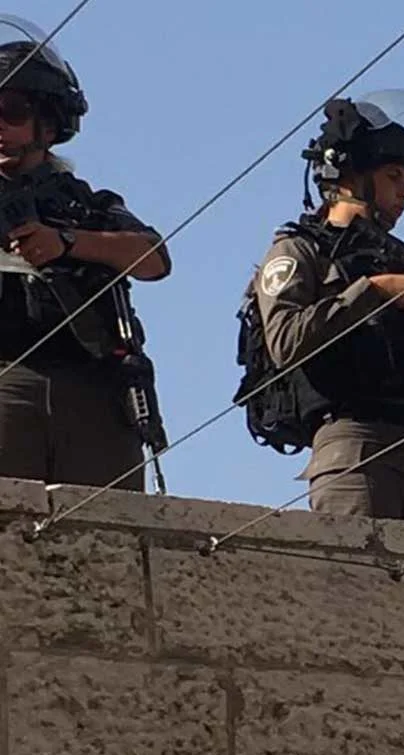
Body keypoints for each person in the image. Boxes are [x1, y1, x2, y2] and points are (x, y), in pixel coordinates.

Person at [233, 89, 404, 525]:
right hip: (355, 444)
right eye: (394, 176)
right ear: (352, 175)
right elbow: (286, 341)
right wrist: (375, 290)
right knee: (366, 567)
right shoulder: (300, 252)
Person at [0, 15, 172, 492]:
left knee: (105, 529)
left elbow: (154, 259)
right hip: (7, 382)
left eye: (11, 111)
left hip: (93, 394)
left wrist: (68, 243)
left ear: (49, 122)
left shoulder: (84, 204)